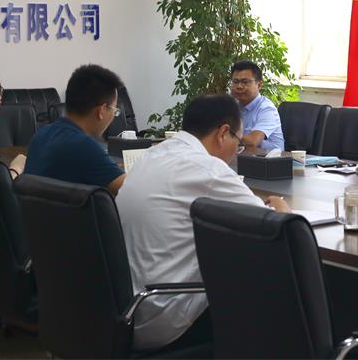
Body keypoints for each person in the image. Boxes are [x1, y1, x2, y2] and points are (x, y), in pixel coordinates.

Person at [117, 94, 289, 352]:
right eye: (238, 143)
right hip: (163, 315)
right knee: (266, 285)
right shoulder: (207, 168)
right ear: (223, 133)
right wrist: (281, 206)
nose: (236, 152)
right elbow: (272, 228)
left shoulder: (152, 155)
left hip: (125, 308)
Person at [24, 64, 125, 195]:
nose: (113, 116)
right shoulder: (84, 146)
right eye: (114, 110)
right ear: (101, 111)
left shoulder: (40, 135)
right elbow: (130, 189)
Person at [229, 60, 284, 151]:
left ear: (259, 85)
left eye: (245, 82)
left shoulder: (267, 109)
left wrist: (224, 137)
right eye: (235, 82)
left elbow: (252, 142)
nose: (239, 86)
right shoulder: (232, 106)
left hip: (269, 158)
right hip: (242, 156)